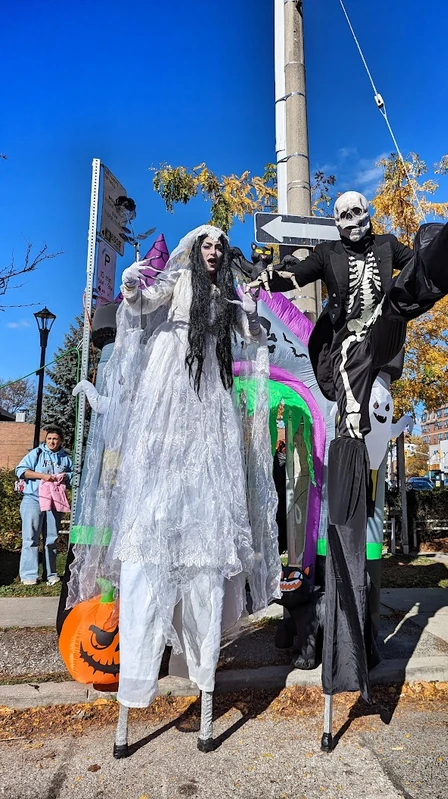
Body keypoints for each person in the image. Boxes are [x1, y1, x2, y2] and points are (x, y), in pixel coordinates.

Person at [248, 191, 448, 702]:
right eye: (343, 217)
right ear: (337, 223)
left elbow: (417, 264)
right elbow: (299, 272)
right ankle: (349, 470)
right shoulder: (328, 253)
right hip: (343, 350)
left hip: (381, 343)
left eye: (357, 214)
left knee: (392, 334)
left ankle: (361, 475)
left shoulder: (387, 246)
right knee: (349, 412)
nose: (352, 224)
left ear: (369, 216)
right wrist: (271, 276)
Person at [67, 224, 280, 710]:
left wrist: (249, 317)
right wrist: (130, 283)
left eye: (220, 246)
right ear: (194, 248)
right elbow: (141, 304)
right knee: (159, 484)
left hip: (208, 393)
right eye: (207, 244)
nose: (214, 251)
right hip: (170, 384)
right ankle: (139, 680)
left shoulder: (225, 297)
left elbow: (249, 339)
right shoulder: (178, 281)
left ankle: (201, 669)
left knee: (206, 495)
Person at [15, 426, 72, 586]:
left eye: (55, 439)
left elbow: (73, 477)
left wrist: (65, 476)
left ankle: (51, 574)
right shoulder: (37, 453)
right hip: (33, 499)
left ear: (60, 441)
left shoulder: (65, 459)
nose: (52, 442)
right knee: (30, 538)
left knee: (51, 539)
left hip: (55, 502)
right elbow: (20, 470)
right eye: (49, 439)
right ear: (45, 440)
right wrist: (42, 476)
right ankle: (29, 575)